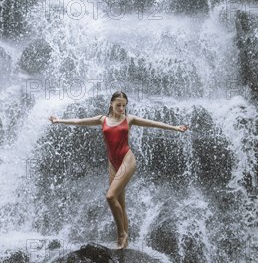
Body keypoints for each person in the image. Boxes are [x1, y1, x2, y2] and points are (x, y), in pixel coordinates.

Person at [48, 91, 188, 249]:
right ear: (111, 104)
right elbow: (80, 121)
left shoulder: (129, 119)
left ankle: (122, 234)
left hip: (127, 160)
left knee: (110, 196)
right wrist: (59, 120)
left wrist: (175, 127)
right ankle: (124, 242)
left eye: (124, 105)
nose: (122, 108)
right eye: (118, 105)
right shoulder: (102, 119)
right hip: (113, 163)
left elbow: (152, 123)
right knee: (120, 203)